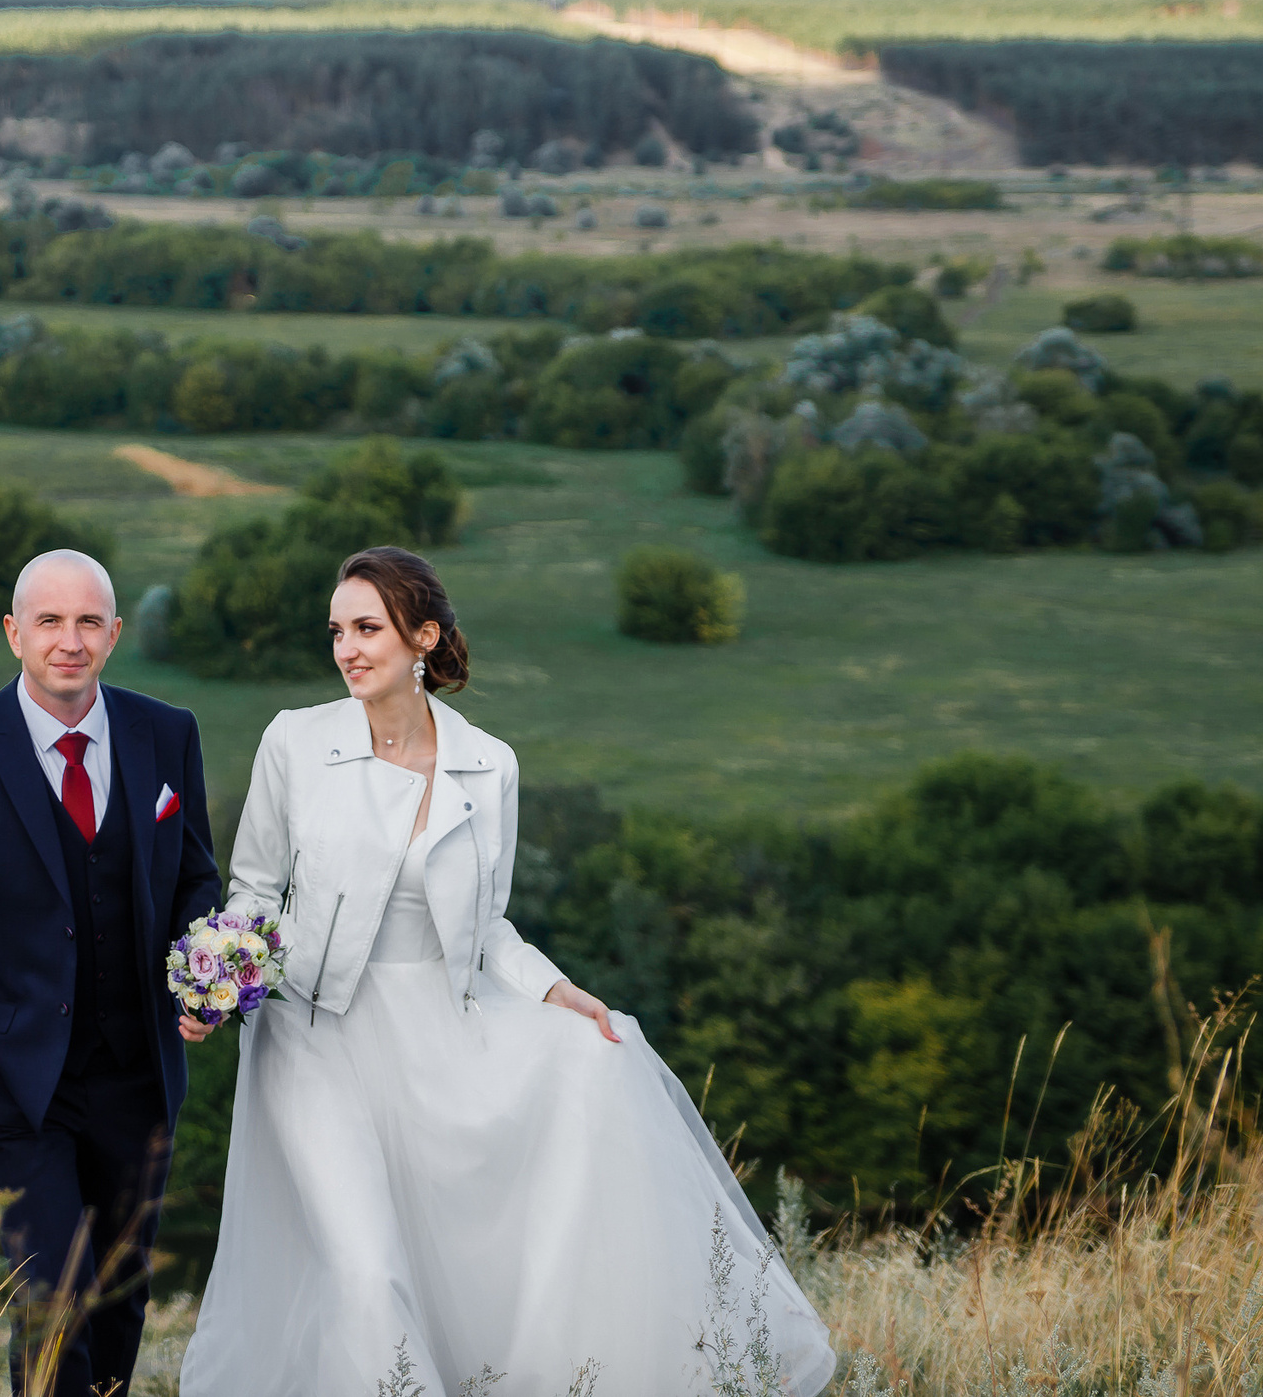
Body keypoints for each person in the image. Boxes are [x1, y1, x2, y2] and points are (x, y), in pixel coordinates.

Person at [179, 546, 837, 1396]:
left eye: (367, 628)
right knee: (363, 1266)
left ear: (423, 636)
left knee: (583, 1074)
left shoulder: (490, 764)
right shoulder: (294, 740)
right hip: (309, 1037)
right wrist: (219, 979)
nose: (346, 647)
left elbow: (487, 924)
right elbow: (256, 889)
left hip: (438, 1033)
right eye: (337, 630)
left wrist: (557, 991)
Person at [0, 548, 222, 1396]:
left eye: (88, 621)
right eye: (49, 620)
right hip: (14, 1085)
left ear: (114, 635)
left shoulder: (168, 732)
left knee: (118, 1299)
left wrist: (202, 973)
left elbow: (195, 875)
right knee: (53, 1297)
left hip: (138, 1075)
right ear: (15, 633)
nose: (69, 640)